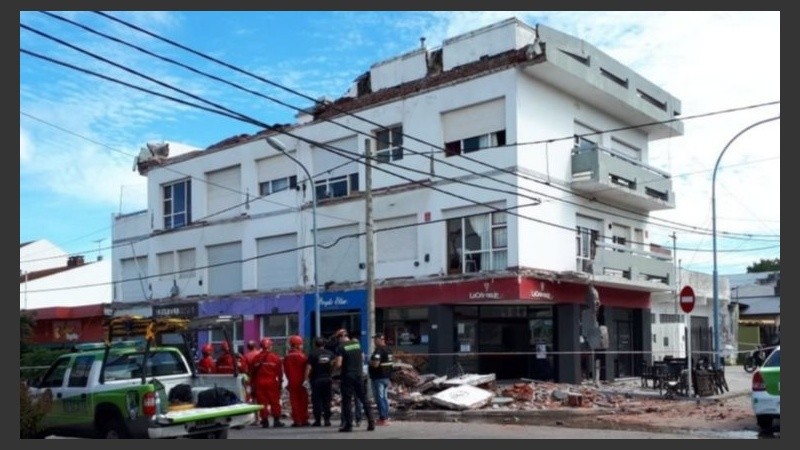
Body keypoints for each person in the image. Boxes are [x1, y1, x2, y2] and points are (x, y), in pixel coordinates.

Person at [332, 330, 374, 432]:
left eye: (338, 339)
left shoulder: (341, 348)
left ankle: (348, 425)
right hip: (359, 376)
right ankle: (371, 422)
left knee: (347, 401)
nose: (338, 341)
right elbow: (362, 358)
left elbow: (338, 364)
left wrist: (333, 368)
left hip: (347, 376)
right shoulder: (357, 345)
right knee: (363, 399)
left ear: (341, 337)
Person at [251, 337, 286, 428]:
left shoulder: (256, 358)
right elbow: (280, 373)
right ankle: (276, 421)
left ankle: (265, 421)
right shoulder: (275, 357)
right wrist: (280, 383)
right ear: (270, 346)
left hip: (259, 383)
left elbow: (252, 373)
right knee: (274, 402)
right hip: (272, 382)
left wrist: (252, 385)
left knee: (262, 403)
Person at [306, 336, 334, 427]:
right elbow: (335, 363)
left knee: (316, 401)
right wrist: (331, 373)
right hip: (327, 379)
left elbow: (308, 368)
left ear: (315, 344)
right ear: (324, 344)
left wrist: (305, 379)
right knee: (327, 400)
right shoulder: (330, 353)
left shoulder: (312, 354)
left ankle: (317, 421)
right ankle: (327, 420)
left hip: (316, 380)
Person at [284, 335, 310, 427]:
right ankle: (304, 420)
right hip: (302, 382)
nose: (302, 346)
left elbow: (286, 371)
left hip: (292, 382)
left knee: (294, 402)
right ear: (297, 345)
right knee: (303, 401)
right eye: (301, 344)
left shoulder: (287, 357)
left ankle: (297, 420)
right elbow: (307, 369)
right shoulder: (302, 356)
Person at [368, 333, 394, 425]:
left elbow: (375, 364)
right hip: (386, 377)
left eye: (375, 339)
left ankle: (383, 418)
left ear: (379, 339)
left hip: (378, 377)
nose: (374, 341)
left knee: (380, 398)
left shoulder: (379, 350)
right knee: (385, 398)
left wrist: (369, 361)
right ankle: (386, 416)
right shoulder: (388, 349)